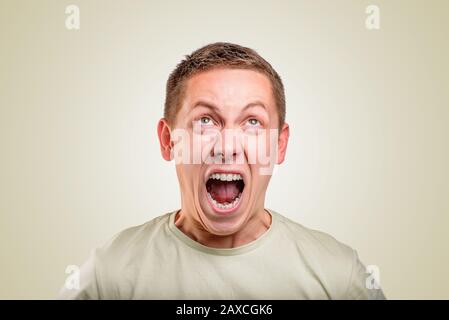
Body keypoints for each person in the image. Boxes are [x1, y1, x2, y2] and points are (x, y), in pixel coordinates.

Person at [59, 42, 386, 299]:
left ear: (279, 145)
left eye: (252, 122)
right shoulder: (108, 276)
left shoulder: (339, 277)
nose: (227, 146)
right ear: (168, 140)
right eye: (205, 121)